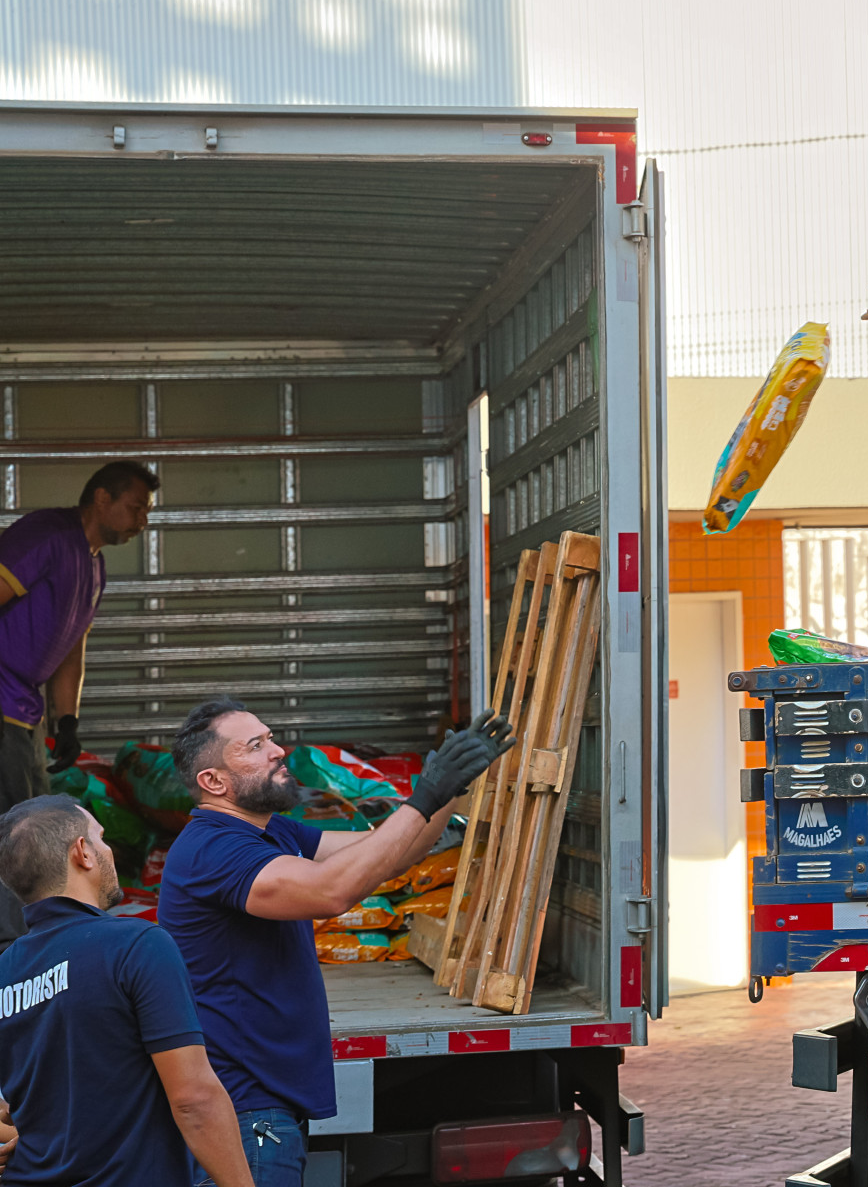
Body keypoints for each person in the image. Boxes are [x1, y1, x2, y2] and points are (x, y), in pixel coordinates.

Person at [159, 700, 514, 1187]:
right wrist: (425, 795)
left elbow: (386, 858)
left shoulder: (270, 830)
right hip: (244, 1109)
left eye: (271, 737)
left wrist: (447, 791)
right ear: (214, 782)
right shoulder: (212, 850)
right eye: (256, 746)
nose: (278, 751)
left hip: (266, 1102)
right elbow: (331, 891)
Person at [0, 795, 253, 1185]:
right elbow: (194, 1099)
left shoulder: (5, 970)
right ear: (82, 853)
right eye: (101, 838)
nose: (109, 850)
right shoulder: (135, 945)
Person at [0, 460, 158, 948]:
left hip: (25, 708)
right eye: (136, 508)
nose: (142, 523)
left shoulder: (92, 565)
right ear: (102, 500)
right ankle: (13, 946)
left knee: (39, 825)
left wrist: (67, 720)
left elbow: (71, 649)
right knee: (15, 828)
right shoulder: (47, 535)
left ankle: (32, 938)